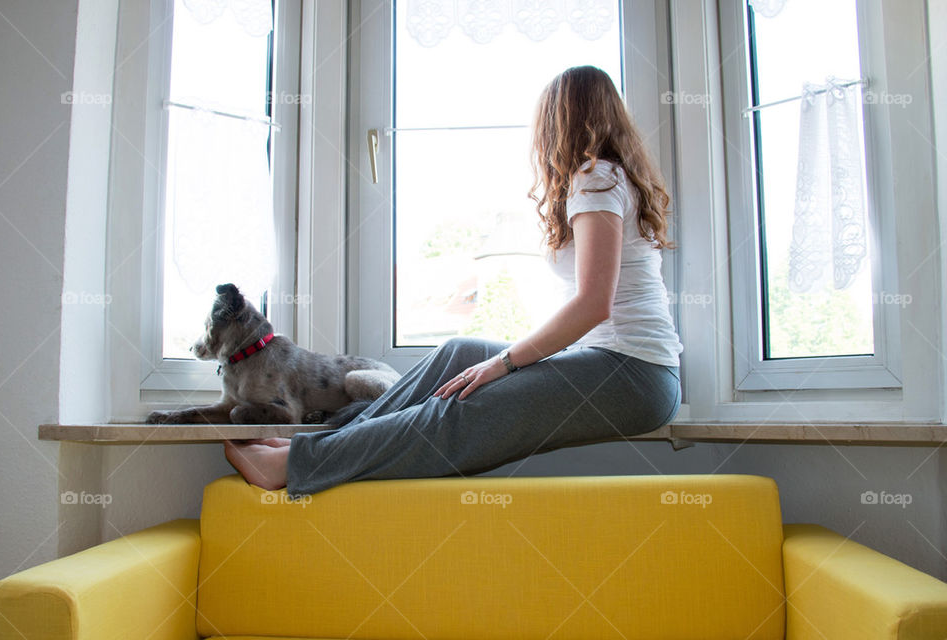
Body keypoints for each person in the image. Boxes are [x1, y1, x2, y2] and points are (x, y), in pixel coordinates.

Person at [225, 65, 683, 495]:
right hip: (616, 365)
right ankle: (329, 441)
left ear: (559, 122)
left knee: (467, 405)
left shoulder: (595, 178)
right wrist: (501, 360)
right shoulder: (605, 179)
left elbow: (592, 305)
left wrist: (503, 364)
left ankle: (297, 464)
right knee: (458, 354)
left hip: (634, 375)